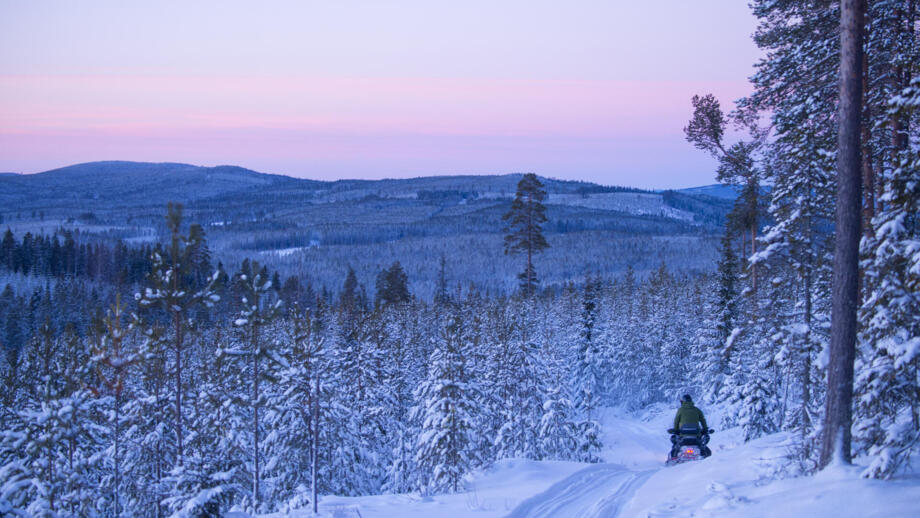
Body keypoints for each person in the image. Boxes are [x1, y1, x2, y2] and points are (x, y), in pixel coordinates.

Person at [669, 394, 711, 458]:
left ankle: (674, 457)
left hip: (683, 436)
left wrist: (675, 430)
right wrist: (705, 429)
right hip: (696, 437)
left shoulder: (681, 410)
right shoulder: (697, 410)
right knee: (705, 449)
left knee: (675, 446)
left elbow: (676, 421)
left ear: (683, 402)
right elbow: (703, 420)